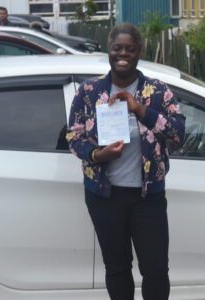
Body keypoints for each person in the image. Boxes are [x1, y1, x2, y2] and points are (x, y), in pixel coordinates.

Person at [66, 23, 185, 300]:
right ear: (109, 51)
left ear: (138, 52)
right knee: (117, 267)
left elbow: (178, 134)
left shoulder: (157, 91)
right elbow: (74, 137)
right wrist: (98, 155)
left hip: (148, 198)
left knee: (155, 269)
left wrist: (140, 109)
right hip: (105, 197)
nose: (123, 54)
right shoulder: (89, 91)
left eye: (130, 49)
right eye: (117, 48)